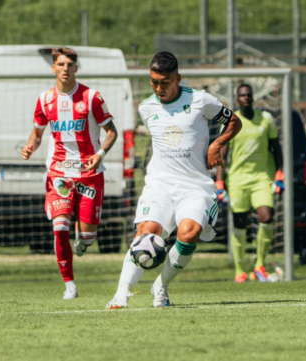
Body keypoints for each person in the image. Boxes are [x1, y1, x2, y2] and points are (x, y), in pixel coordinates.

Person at [106, 52, 242, 309]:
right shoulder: (146, 108)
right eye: (154, 82)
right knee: (146, 234)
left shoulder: (201, 100)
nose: (159, 88)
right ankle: (121, 293)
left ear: (177, 78)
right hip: (160, 184)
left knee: (189, 234)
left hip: (195, 186)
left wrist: (217, 143)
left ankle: (161, 285)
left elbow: (234, 121)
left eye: (165, 82)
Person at [22, 47, 118, 300]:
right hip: (59, 173)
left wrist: (100, 155)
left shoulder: (92, 97)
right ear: (53, 68)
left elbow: (112, 132)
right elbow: (38, 133)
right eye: (61, 64)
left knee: (87, 238)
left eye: (70, 64)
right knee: (60, 226)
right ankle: (70, 285)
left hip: (89, 173)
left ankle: (83, 238)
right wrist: (31, 144)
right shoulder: (45, 100)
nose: (65, 68)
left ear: (76, 68)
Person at [215, 84, 284, 283]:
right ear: (237, 99)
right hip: (237, 179)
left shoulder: (266, 119)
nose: (246, 98)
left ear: (253, 98)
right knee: (239, 222)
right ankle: (239, 270)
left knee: (266, 216)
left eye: (249, 95)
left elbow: (276, 148)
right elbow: (222, 154)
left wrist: (280, 172)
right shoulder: (231, 121)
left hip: (262, 177)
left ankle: (260, 264)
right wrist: (219, 181)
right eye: (242, 95)